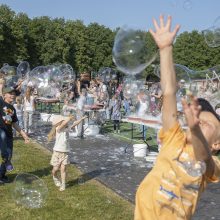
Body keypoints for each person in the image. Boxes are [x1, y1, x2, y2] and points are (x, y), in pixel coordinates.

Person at [135, 15, 220, 220]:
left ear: (217, 143)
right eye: (198, 119)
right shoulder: (174, 139)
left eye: (206, 123)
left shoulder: (214, 165)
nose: (198, 122)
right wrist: (165, 49)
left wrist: (195, 129)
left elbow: (203, 157)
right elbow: (169, 92)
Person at [48, 114, 87, 191]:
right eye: (63, 121)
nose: (66, 123)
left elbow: (74, 124)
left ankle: (63, 184)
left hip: (65, 152)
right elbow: (64, 123)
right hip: (57, 152)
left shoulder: (66, 129)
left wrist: (81, 119)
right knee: (55, 169)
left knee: (63, 169)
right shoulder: (58, 128)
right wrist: (68, 118)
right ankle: (54, 177)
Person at [0, 87, 29, 183]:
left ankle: (1, 176)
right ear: (4, 95)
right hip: (1, 131)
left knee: (9, 155)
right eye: (10, 93)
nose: (13, 95)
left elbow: (14, 124)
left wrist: (24, 135)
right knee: (2, 135)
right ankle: (5, 158)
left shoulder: (12, 109)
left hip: (9, 134)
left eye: (14, 94)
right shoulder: (1, 103)